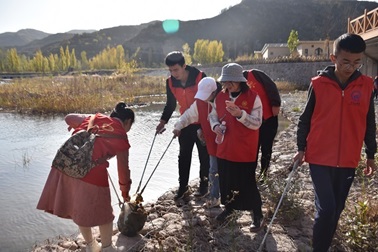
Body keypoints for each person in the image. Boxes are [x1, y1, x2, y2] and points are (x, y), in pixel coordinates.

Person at [293, 33, 377, 252]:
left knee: (336, 209)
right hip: (319, 157)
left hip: (349, 158)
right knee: (327, 208)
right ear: (333, 58)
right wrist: (301, 148)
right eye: (345, 62)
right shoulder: (319, 84)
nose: (351, 67)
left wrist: (370, 155)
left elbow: (370, 123)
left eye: (357, 62)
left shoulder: (366, 86)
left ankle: (324, 244)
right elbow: (304, 119)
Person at [37, 102, 135, 252]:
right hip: (92, 174)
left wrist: (74, 126)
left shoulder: (93, 118)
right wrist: (125, 193)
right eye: (130, 126)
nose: (128, 130)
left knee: (80, 209)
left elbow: (69, 117)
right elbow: (123, 171)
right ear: (127, 122)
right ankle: (108, 248)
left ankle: (90, 245)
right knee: (105, 213)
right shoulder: (121, 136)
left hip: (67, 168)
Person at [208, 63, 264, 232]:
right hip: (225, 148)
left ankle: (257, 214)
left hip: (245, 149)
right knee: (226, 180)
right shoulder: (219, 97)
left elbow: (257, 123)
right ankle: (229, 209)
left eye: (231, 81)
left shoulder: (253, 98)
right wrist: (215, 126)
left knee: (247, 183)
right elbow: (213, 116)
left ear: (240, 81)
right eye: (225, 81)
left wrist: (240, 114)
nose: (228, 84)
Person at [156, 51, 210, 200]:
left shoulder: (200, 77)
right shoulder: (170, 82)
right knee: (184, 156)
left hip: (202, 122)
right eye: (170, 70)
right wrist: (163, 122)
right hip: (185, 123)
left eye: (176, 70)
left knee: (204, 155)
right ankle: (183, 187)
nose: (174, 73)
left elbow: (207, 102)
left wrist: (207, 125)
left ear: (184, 66)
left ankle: (204, 185)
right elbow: (171, 104)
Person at [172, 77, 222, 208]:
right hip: (212, 143)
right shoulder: (200, 102)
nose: (204, 98)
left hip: (226, 143)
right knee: (213, 169)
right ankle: (215, 197)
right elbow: (188, 115)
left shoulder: (224, 99)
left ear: (214, 92)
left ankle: (229, 198)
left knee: (226, 169)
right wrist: (178, 127)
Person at [243, 69, 281, 182]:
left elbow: (271, 86)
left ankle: (264, 175)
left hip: (269, 119)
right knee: (252, 150)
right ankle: (250, 176)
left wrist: (275, 103)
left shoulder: (255, 74)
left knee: (266, 149)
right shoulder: (235, 88)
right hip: (252, 123)